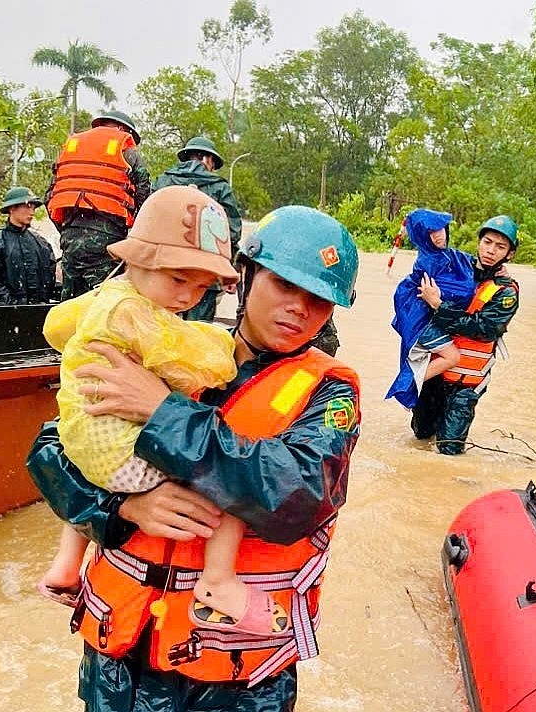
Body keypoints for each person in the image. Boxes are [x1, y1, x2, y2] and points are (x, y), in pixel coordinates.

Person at [26, 204, 360, 711]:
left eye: (318, 300)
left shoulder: (330, 393)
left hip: (234, 678)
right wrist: (119, 508)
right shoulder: (170, 343)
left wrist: (162, 412)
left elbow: (295, 498)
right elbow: (53, 449)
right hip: (121, 657)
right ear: (245, 276)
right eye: (284, 286)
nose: (299, 308)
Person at [37, 186, 287, 635]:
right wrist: (214, 341)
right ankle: (218, 581)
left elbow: (56, 326)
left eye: (201, 287)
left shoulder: (105, 298)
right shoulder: (139, 316)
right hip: (125, 459)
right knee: (230, 481)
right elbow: (210, 364)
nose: (187, 298)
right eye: (177, 280)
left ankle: (64, 565)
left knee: (82, 462)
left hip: (84, 441)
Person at [409, 215, 520, 454]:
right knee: (420, 436)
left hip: (466, 385)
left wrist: (439, 306)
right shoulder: (456, 267)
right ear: (479, 242)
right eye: (487, 242)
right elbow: (429, 256)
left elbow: (482, 329)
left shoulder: (506, 292)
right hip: (436, 376)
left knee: (449, 451)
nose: (491, 250)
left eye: (500, 247)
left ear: (510, 254)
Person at [45, 110, 152, 300]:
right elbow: (143, 191)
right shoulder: (126, 151)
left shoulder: (71, 148)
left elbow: (49, 197)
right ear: (123, 129)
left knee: (71, 305)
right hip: (107, 240)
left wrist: (68, 230)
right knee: (104, 303)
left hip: (70, 238)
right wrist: (134, 234)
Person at [386, 208, 476, 408]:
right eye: (431, 233)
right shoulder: (427, 262)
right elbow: (449, 291)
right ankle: (408, 385)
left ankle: (412, 384)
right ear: (422, 237)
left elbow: (468, 263)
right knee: (453, 356)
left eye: (440, 229)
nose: (438, 236)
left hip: (426, 320)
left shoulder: (446, 256)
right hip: (422, 323)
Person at [152, 136, 243, 323]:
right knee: (197, 331)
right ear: (208, 159)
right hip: (204, 274)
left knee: (159, 327)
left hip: (165, 268)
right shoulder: (219, 187)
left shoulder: (163, 181)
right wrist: (232, 270)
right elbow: (232, 233)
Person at [0, 186, 57, 305]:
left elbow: (50, 282)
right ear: (11, 208)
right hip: (6, 317)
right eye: (27, 207)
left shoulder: (42, 244)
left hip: (39, 315)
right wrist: (16, 307)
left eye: (34, 208)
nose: (32, 212)